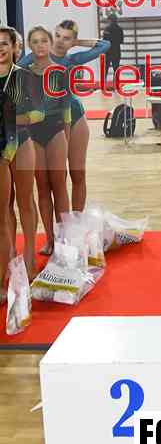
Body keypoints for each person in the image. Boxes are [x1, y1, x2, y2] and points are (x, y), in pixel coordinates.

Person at [18, 20, 110, 211]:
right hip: (47, 122)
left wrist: (78, 42)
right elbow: (13, 75)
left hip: (74, 116)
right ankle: (59, 226)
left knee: (78, 174)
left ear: (72, 41)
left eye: (67, 38)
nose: (60, 41)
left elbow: (104, 45)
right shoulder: (33, 57)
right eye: (58, 36)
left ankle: (76, 223)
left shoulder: (72, 60)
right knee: (56, 179)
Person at [0, 27, 44, 286]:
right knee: (4, 207)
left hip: (22, 142)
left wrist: (11, 118)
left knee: (25, 201)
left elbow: (38, 114)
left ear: (15, 47)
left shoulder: (24, 76)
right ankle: (8, 256)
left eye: (5, 43)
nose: (0, 48)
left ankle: (29, 256)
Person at [26, 27, 71, 256]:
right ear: (29, 46)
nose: (40, 45)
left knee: (59, 186)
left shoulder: (60, 72)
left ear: (50, 43)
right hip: (34, 135)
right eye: (35, 41)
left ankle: (65, 241)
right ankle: (50, 240)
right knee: (42, 187)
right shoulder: (23, 73)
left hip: (56, 132)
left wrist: (67, 138)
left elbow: (66, 109)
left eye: (44, 40)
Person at [103, 13, 124, 86]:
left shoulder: (107, 29)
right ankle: (115, 85)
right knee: (116, 69)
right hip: (116, 51)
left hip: (108, 51)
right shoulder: (120, 29)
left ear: (110, 20)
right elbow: (121, 41)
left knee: (105, 69)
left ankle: (103, 84)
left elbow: (104, 40)